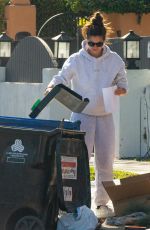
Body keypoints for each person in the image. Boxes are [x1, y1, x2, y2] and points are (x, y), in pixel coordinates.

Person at [45, 11, 128, 218]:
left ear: (104, 42)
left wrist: (119, 89)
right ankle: (74, 204)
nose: (95, 48)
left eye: (99, 44)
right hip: (82, 115)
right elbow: (61, 77)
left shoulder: (115, 60)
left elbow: (123, 82)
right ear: (86, 41)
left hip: (105, 115)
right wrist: (51, 87)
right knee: (75, 161)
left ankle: (101, 204)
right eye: (91, 43)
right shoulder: (76, 60)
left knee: (105, 162)